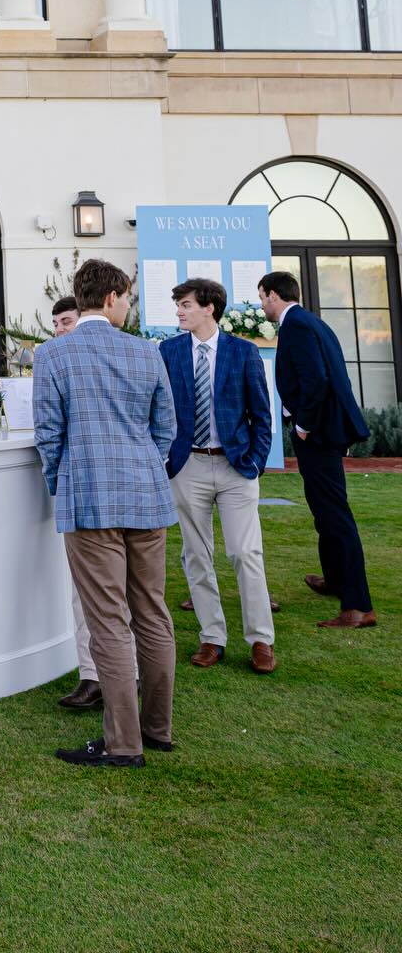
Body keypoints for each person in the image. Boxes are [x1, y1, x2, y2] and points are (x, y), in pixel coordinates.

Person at [32, 258, 177, 769]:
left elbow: (48, 435)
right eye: (129, 298)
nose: (129, 306)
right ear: (112, 297)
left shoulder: (54, 354)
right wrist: (144, 467)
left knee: (109, 623)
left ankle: (124, 744)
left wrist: (62, 484)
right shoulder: (147, 352)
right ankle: (157, 729)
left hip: (90, 498)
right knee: (152, 613)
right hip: (147, 496)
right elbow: (166, 429)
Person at [158, 278, 276, 674]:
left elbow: (262, 414)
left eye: (185, 305)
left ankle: (261, 638)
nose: (179, 312)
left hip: (235, 465)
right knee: (196, 556)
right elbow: (159, 408)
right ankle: (212, 637)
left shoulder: (243, 352)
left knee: (245, 553)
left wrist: (256, 461)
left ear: (210, 308)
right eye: (179, 305)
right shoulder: (169, 351)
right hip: (186, 465)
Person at [260, 270, 376, 629]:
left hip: (320, 434)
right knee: (322, 507)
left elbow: (317, 380)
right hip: (326, 430)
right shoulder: (311, 322)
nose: (261, 304)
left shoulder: (296, 326)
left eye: (263, 297)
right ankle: (335, 579)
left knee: (335, 513)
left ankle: (358, 606)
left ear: (274, 295)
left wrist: (303, 425)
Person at [49, 292, 135, 714]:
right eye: (57, 324)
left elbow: (160, 425)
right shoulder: (55, 357)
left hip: (106, 489)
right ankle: (94, 676)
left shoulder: (129, 353)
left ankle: (122, 685)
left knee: (113, 597)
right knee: (91, 596)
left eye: (66, 320)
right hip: (103, 487)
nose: (61, 330)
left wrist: (57, 480)